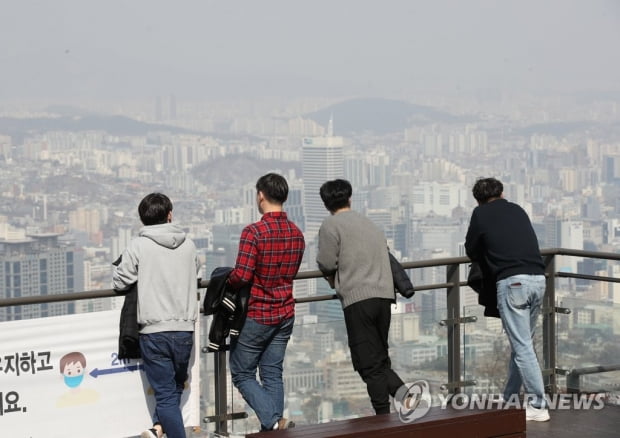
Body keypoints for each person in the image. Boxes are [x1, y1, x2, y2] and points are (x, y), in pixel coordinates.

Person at [112, 193, 199, 438]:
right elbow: (197, 274)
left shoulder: (138, 246)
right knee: (174, 388)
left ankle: (166, 430)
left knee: (165, 395)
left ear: (143, 220)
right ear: (170, 215)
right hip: (184, 329)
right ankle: (159, 427)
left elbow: (120, 281)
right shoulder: (189, 244)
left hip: (154, 331)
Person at [316, 179, 405, 415]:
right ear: (349, 199)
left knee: (368, 362)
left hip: (358, 299)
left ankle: (383, 417)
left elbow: (326, 261)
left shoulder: (331, 225)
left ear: (326, 204)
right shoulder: (370, 223)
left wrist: (334, 280)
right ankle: (405, 396)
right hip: (384, 297)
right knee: (378, 356)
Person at [464, 177, 550, 422]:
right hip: (538, 278)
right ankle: (510, 396)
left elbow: (471, 249)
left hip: (513, 283)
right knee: (522, 343)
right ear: (502, 193)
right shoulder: (517, 209)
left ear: (478, 200)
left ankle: (538, 405)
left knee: (522, 346)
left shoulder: (480, 215)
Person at [228, 173, 305, 432]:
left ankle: (272, 421)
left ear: (260, 195)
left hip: (258, 314)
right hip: (285, 312)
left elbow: (242, 275)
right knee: (272, 372)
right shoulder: (297, 233)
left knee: (242, 372)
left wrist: (225, 279)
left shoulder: (253, 233)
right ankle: (275, 426)